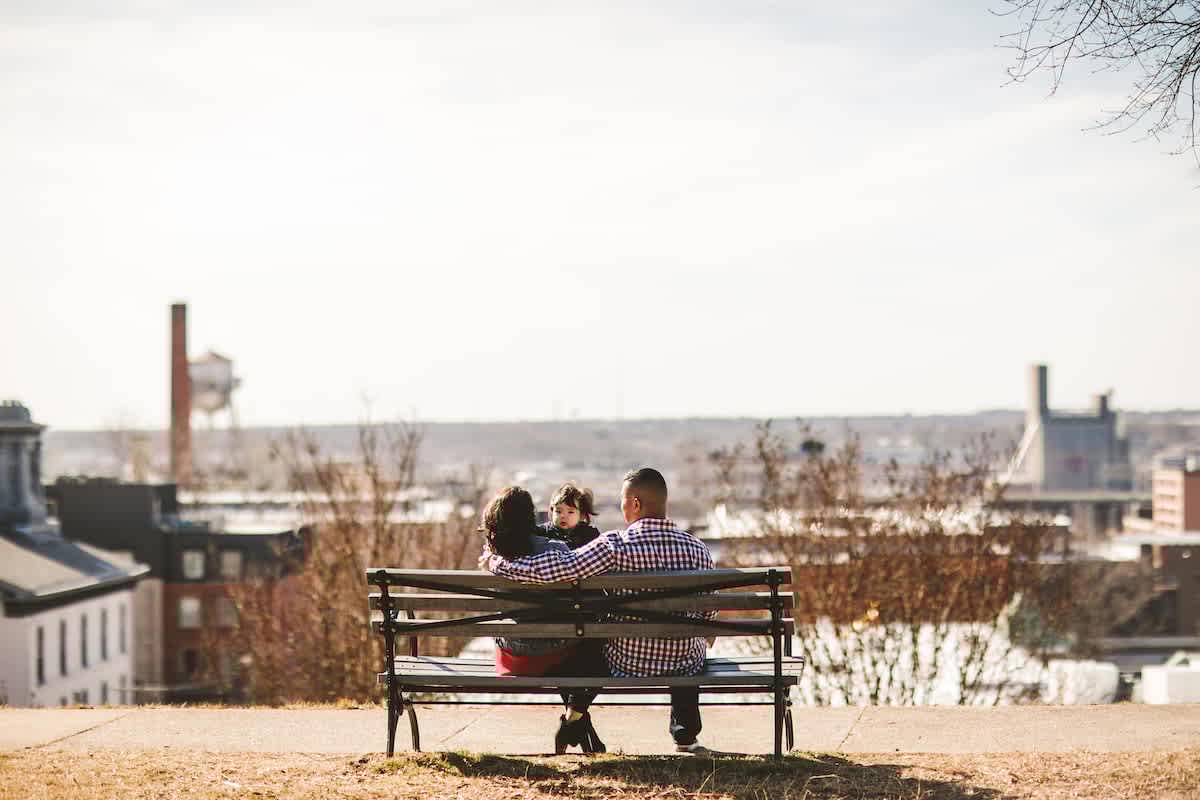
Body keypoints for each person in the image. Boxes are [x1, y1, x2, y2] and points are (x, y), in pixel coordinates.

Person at [481, 467, 715, 754]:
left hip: (625, 658)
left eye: (622, 500)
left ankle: (575, 715)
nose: (621, 506)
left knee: (588, 638)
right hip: (683, 662)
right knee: (691, 646)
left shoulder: (614, 545)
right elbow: (708, 609)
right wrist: (703, 637)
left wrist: (498, 564)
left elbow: (554, 571)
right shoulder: (697, 548)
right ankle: (686, 736)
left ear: (636, 504)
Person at [477, 486, 607, 753]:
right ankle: (576, 718)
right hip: (556, 654)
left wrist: (495, 563)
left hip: (511, 656)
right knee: (587, 638)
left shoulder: (492, 556)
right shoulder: (555, 550)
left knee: (571, 636)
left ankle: (577, 722)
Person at [541, 482, 602, 549]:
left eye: (570, 512)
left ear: (581, 515)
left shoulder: (590, 534)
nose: (563, 516)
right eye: (558, 511)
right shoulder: (543, 532)